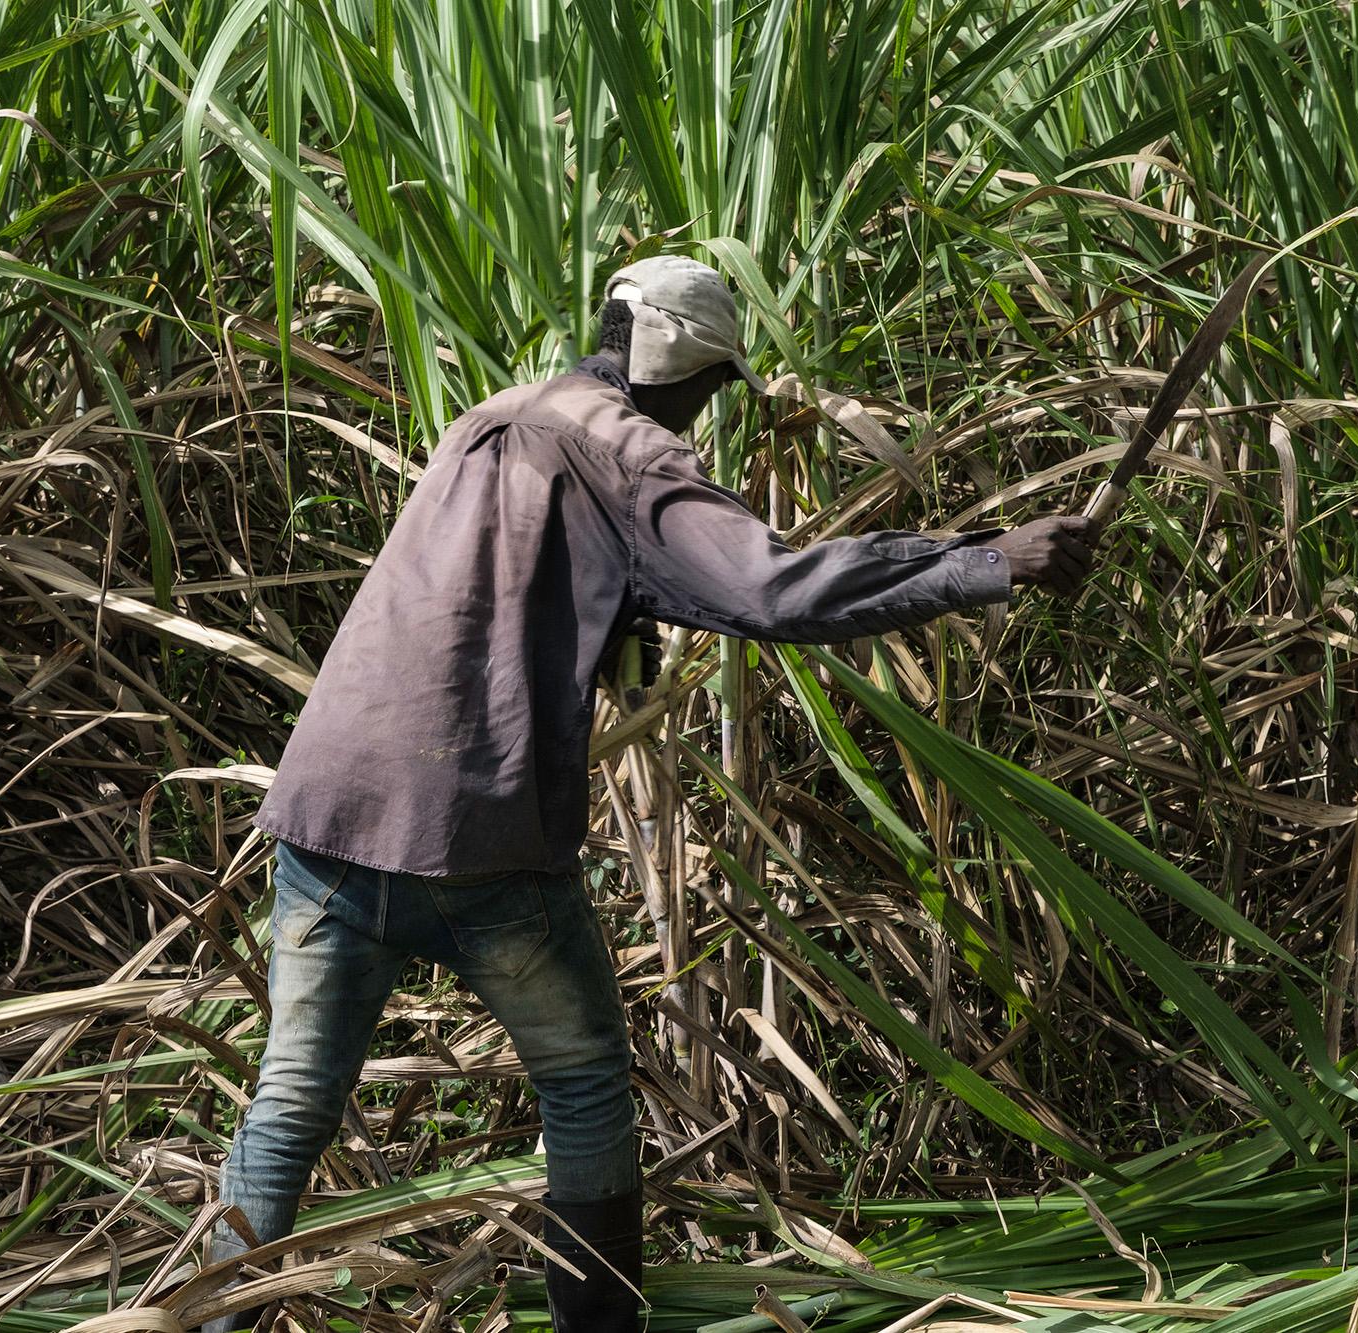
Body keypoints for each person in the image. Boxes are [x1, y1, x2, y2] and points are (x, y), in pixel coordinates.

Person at [207, 256, 1097, 1332]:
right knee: (581, 1082)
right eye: (708, 390)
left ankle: (211, 1318)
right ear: (675, 367)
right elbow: (769, 588)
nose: (701, 415)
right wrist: (982, 559)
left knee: (291, 1100)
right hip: (477, 834)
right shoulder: (627, 451)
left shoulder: (490, 415)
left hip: (326, 816)